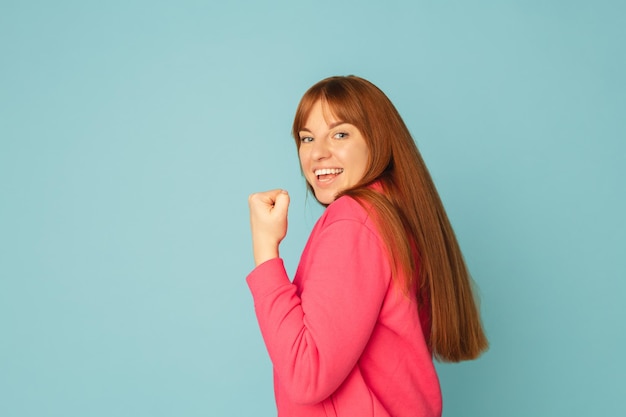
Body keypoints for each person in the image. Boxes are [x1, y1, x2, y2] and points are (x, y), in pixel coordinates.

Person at [247, 75, 488, 417]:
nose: (317, 153)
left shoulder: (354, 220)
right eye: (306, 138)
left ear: (376, 141)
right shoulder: (388, 212)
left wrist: (265, 250)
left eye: (340, 134)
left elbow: (306, 375)